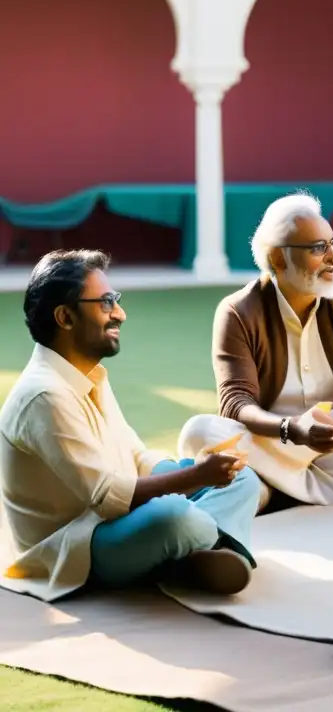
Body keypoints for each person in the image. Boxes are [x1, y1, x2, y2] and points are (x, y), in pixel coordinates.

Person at [0, 250, 261, 602]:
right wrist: (197, 479)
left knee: (244, 478)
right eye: (106, 302)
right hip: (80, 545)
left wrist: (194, 471)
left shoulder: (87, 373)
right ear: (64, 317)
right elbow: (108, 499)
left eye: (116, 301)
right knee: (175, 516)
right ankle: (196, 550)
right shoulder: (44, 396)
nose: (120, 313)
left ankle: (186, 556)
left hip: (121, 518)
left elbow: (135, 454)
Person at [178, 193, 333, 511]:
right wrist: (291, 429)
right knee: (200, 432)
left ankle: (275, 490)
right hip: (272, 441)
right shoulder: (238, 311)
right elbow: (235, 403)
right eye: (318, 248)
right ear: (279, 258)